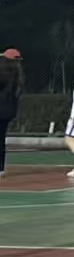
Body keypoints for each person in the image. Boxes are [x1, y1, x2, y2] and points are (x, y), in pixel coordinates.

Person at [0, 48, 22, 177]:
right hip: (8, 111)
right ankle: (1, 168)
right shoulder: (18, 75)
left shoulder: (2, 73)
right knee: (1, 139)